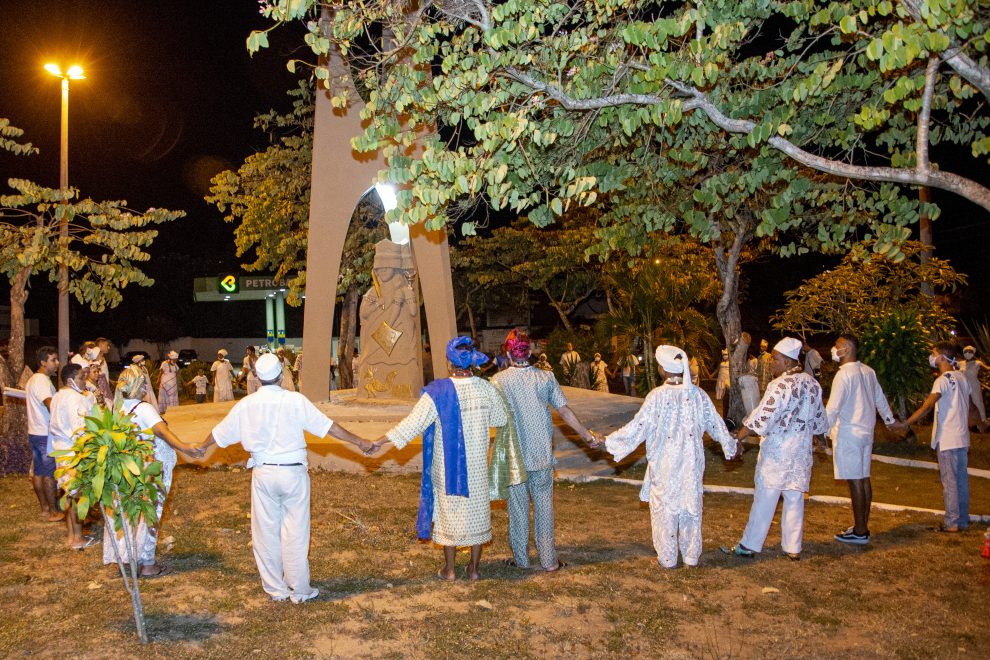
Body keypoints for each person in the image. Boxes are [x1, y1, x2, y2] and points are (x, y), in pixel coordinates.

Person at [192, 353, 373, 602]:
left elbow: (219, 434)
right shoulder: (295, 401)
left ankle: (276, 590)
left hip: (264, 473)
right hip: (292, 473)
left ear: (256, 376)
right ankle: (299, 590)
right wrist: (359, 441)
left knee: (265, 533)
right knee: (296, 531)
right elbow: (327, 426)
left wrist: (201, 447)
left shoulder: (246, 404)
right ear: (280, 375)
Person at [373, 337, 507, 580]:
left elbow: (412, 425)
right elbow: (500, 419)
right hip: (477, 465)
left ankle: (450, 570)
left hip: (448, 467)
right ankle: (475, 570)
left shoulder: (438, 392)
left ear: (449, 363)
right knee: (477, 510)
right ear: (471, 363)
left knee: (450, 512)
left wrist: (380, 441)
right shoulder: (486, 388)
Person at [600, 346, 738, 568]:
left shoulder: (657, 397)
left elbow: (638, 428)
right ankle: (691, 556)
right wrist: (730, 446)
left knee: (665, 510)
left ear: (663, 369)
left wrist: (608, 442)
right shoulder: (698, 395)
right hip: (692, 464)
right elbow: (717, 425)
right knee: (690, 507)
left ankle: (667, 557)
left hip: (665, 465)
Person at [492, 330, 598, 572]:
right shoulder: (546, 378)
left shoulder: (499, 381)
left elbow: (492, 416)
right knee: (544, 507)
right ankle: (549, 561)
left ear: (508, 353)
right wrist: (587, 435)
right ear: (529, 352)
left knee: (518, 509)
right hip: (540, 456)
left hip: (515, 459)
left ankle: (521, 560)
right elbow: (564, 411)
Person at [721, 337, 828, 560]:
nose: (773, 363)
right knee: (794, 498)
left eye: (777, 359)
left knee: (766, 496)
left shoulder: (779, 385)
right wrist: (820, 440)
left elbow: (760, 417)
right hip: (800, 451)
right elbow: (819, 417)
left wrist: (737, 439)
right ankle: (793, 548)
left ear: (788, 362)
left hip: (778, 451)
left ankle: (749, 545)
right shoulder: (811, 384)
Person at [103, 366, 199, 577]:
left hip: (126, 469)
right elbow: (163, 432)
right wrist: (185, 448)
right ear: (137, 385)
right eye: (144, 382)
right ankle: (147, 563)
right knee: (150, 514)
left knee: (127, 514)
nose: (147, 385)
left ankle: (126, 557)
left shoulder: (116, 408)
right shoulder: (143, 408)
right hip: (149, 469)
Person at [825, 334, 897, 545]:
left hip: (849, 433)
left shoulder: (844, 375)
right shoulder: (868, 371)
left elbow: (833, 408)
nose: (833, 349)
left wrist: (820, 430)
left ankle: (860, 531)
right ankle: (861, 526)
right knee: (864, 478)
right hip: (867, 432)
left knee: (855, 481)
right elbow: (879, 398)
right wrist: (889, 420)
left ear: (846, 348)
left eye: (836, 346)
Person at [897, 342, 974, 532]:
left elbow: (928, 406)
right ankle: (962, 520)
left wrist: (906, 423)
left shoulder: (942, 380)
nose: (931, 357)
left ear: (942, 357)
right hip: (962, 438)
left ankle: (952, 523)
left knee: (949, 481)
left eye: (934, 353)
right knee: (961, 480)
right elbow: (970, 407)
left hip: (948, 438)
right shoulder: (963, 378)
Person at [48, 363, 99, 550]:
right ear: (70, 380)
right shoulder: (73, 397)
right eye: (80, 378)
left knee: (68, 495)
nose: (84, 382)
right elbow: (79, 428)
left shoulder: (58, 396)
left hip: (60, 451)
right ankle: (78, 538)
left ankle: (72, 535)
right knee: (77, 495)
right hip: (73, 452)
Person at [25, 346, 62, 522]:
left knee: (39, 471)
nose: (57, 363)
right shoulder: (41, 381)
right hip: (44, 433)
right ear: (42, 362)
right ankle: (54, 511)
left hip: (35, 431)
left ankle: (45, 508)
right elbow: (49, 404)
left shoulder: (33, 379)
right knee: (48, 472)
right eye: (53, 360)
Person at [959, 345, 988, 432]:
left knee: (977, 402)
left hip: (974, 385)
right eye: (966, 351)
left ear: (973, 353)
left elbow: (987, 368)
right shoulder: (960, 363)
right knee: (964, 403)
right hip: (964, 385)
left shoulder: (978, 362)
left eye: (970, 351)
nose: (968, 353)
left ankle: (982, 422)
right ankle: (967, 423)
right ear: (963, 352)